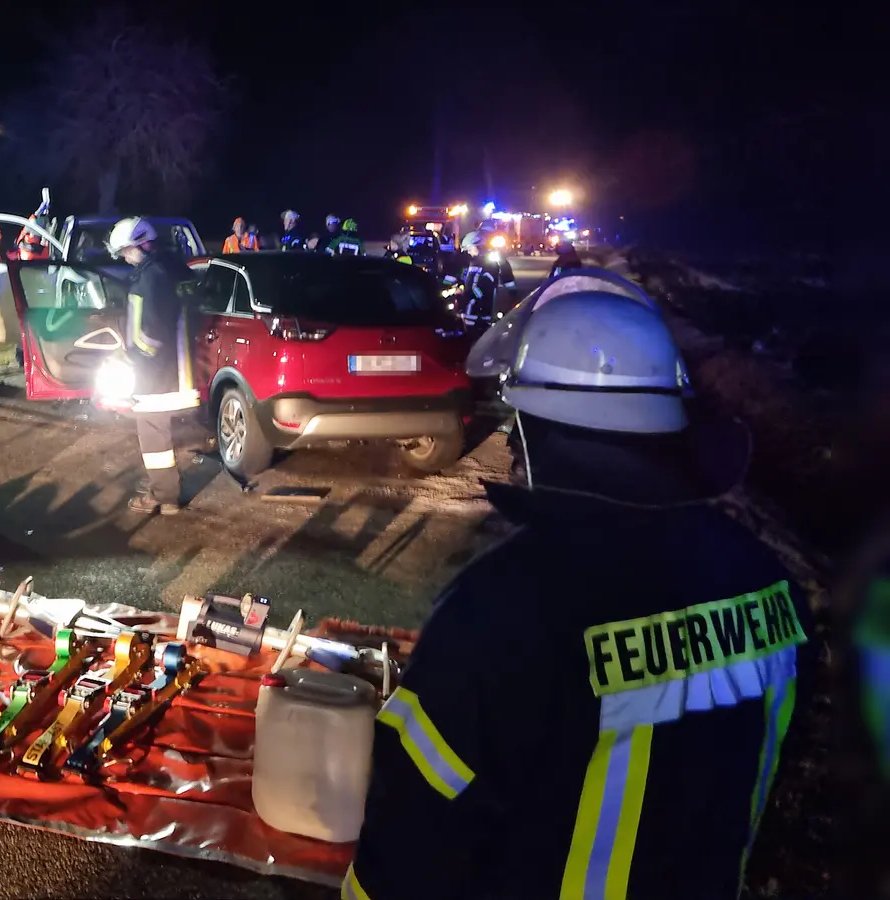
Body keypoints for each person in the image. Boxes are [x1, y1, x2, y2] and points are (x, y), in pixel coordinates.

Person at [346, 289, 813, 900]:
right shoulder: (769, 583)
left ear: (541, 429)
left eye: (517, 423)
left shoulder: (503, 607)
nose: (510, 444)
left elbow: (410, 836)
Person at [107, 217, 198, 515]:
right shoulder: (170, 269)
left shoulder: (152, 277)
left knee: (153, 434)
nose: (125, 257)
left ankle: (165, 496)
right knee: (160, 431)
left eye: (126, 251)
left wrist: (132, 357)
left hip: (157, 371)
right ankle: (165, 489)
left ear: (142, 244)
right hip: (175, 366)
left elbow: (153, 332)